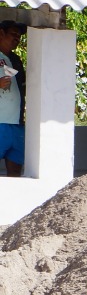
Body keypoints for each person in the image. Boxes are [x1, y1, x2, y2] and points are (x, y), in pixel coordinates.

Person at [0, 20, 26, 177]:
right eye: (13, 34)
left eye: (19, 36)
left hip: (16, 124)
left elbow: (21, 86)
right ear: (1, 34)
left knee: (16, 171)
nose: (17, 38)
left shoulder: (15, 60)